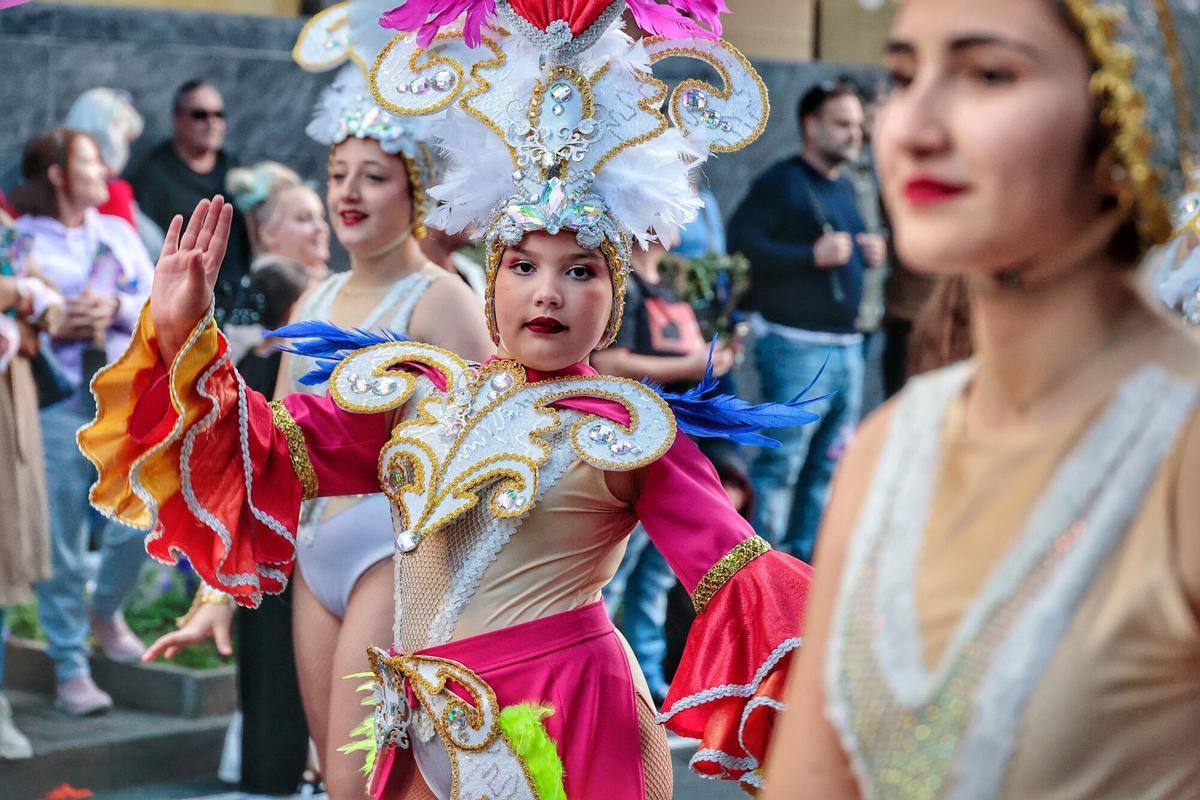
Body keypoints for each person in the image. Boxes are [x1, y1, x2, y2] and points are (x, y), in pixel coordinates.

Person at [79, 1, 817, 795]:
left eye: (581, 271)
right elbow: (259, 450)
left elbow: (745, 582)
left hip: (565, 725)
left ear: (616, 295)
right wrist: (188, 334)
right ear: (491, 276)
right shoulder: (421, 394)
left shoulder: (632, 430)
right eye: (523, 265)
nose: (548, 294)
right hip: (418, 719)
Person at [763, 2, 1200, 799]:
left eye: (989, 74)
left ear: (1130, 119)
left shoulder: (1184, 455)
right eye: (901, 77)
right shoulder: (888, 448)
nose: (912, 127)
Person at [144, 17, 493, 797]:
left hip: (394, 554)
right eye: (338, 173)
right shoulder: (318, 296)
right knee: (338, 775)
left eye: (373, 174)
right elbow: (261, 452)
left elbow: (488, 461)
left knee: (358, 776)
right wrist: (218, 593)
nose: (348, 192)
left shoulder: (444, 302)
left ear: (418, 188)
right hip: (315, 553)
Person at [10, 128, 153, 716]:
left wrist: (115, 308)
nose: (104, 171)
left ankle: (106, 609)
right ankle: (69, 665)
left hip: (119, 399)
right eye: (91, 161)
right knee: (62, 541)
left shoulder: (118, 233)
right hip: (54, 400)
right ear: (58, 174)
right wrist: (47, 320)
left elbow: (160, 300)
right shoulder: (18, 240)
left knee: (143, 514)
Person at [729, 80, 888, 563]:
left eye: (858, 125)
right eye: (842, 123)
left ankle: (802, 576)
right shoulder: (781, 181)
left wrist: (870, 253)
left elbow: (845, 248)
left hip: (848, 346)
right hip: (797, 346)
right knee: (782, 465)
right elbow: (740, 243)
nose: (854, 134)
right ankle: (759, 574)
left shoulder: (847, 185)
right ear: (810, 125)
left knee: (827, 466)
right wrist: (808, 255)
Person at [592, 236, 735, 705]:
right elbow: (607, 362)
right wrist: (693, 364)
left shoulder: (670, 285)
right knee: (616, 570)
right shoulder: (624, 287)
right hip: (633, 448)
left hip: (675, 446)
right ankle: (606, 676)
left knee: (656, 573)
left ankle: (646, 676)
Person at [0, 209, 64, 759]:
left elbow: (52, 301)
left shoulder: (6, 223)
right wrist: (22, 292)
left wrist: (33, 305)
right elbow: (30, 288)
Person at [127, 80, 252, 318]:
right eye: (199, 114)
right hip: (179, 302)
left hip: (235, 303)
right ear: (177, 118)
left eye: (218, 114)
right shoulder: (151, 174)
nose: (211, 123)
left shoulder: (234, 169)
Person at [227, 161, 331, 285]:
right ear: (268, 233)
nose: (321, 227)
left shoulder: (333, 286)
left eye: (321, 217)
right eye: (304, 218)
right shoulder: (265, 292)